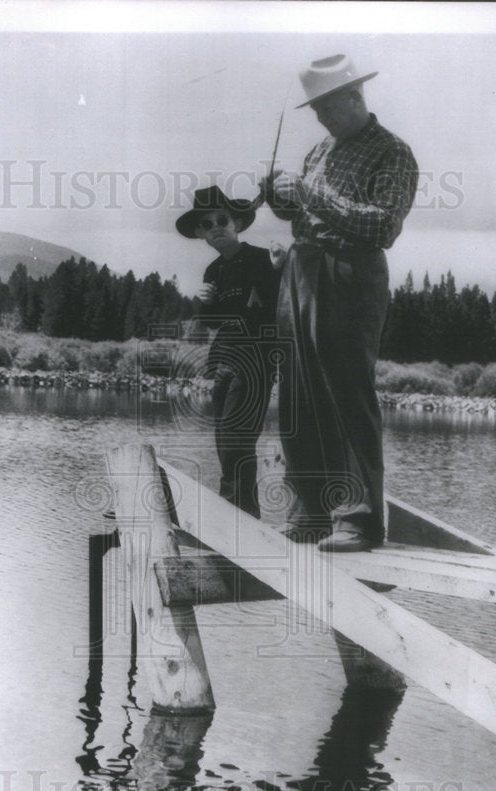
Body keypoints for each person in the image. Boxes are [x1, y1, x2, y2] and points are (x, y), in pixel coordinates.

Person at [261, 54, 419, 552]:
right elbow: (300, 215)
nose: (324, 119)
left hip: (351, 273)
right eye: (318, 111)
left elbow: (381, 226)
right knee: (298, 398)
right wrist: (279, 198)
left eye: (329, 107)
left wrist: (308, 195)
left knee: (347, 395)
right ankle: (310, 513)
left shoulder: (393, 152)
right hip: (302, 271)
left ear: (356, 97)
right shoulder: (320, 149)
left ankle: (359, 520)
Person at [175, 186, 282, 518]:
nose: (215, 228)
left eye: (221, 220)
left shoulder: (265, 259)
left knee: (238, 441)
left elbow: (281, 308)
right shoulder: (213, 271)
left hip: (255, 360)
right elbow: (212, 323)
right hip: (222, 362)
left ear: (236, 223)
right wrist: (206, 303)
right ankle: (237, 515)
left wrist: (281, 269)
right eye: (207, 225)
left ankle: (238, 517)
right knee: (225, 443)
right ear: (200, 234)